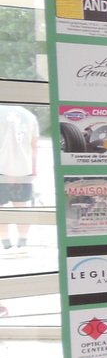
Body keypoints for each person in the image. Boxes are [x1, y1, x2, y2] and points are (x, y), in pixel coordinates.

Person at [0, 104, 39, 254]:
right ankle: (23, 241)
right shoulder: (29, 115)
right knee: (22, 207)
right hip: (23, 168)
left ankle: (5, 242)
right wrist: (34, 169)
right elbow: (34, 146)